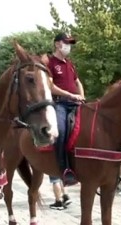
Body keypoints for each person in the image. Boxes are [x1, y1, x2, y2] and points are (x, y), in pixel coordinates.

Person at [47, 32, 85, 186]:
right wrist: (70, 95)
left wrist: (81, 96)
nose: (68, 46)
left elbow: (78, 82)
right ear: (57, 44)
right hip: (60, 103)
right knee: (61, 131)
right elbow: (50, 86)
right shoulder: (50, 63)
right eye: (66, 42)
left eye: (70, 43)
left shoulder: (69, 64)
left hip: (76, 103)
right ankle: (64, 168)